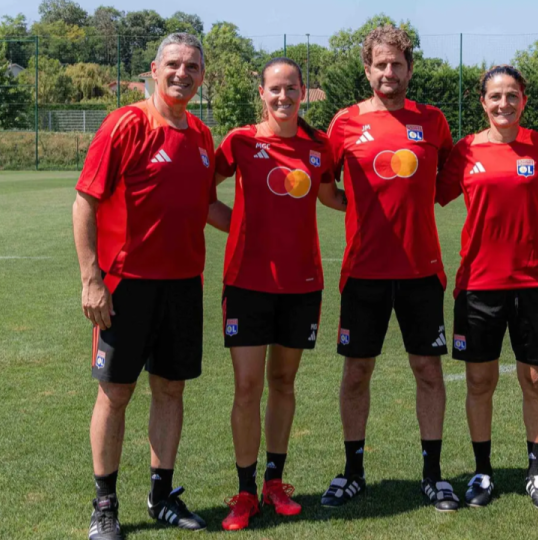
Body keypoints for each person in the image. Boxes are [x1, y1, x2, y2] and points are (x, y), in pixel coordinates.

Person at [72, 33, 214, 540]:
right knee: (116, 392)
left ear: (202, 75)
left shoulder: (200, 134)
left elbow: (206, 207)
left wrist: (261, 223)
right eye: (173, 64)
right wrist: (92, 280)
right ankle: (105, 504)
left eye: (192, 66)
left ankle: (161, 495)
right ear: (154, 70)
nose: (182, 73)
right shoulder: (126, 124)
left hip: (183, 286)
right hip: (126, 285)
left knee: (170, 389)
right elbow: (85, 202)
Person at [320, 25, 459, 512]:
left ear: (410, 69)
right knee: (357, 371)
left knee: (427, 369)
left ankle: (434, 474)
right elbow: (324, 184)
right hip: (363, 271)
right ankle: (353, 471)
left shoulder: (433, 121)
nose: (388, 71)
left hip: (422, 270)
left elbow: (449, 174)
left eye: (397, 64)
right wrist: (357, 208)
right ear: (367, 68)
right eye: (380, 64)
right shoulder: (345, 123)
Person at [207, 57, 346, 531]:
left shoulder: (317, 146)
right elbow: (202, 193)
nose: (283, 97)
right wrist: (241, 229)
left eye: (291, 89)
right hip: (247, 283)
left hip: (302, 284)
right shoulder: (241, 141)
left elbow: (332, 197)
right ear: (261, 94)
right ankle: (245, 492)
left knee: (283, 384)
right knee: (247, 386)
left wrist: (390, 195)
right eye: (274, 90)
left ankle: (274, 482)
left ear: (302, 92)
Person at [437, 65, 538, 510]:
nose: (503, 104)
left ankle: (536, 473)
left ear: (524, 101)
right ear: (483, 102)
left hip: (534, 283)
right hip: (478, 285)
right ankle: (482, 472)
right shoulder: (465, 150)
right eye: (495, 96)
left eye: (512, 96)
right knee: (480, 381)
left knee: (536, 380)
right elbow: (433, 193)